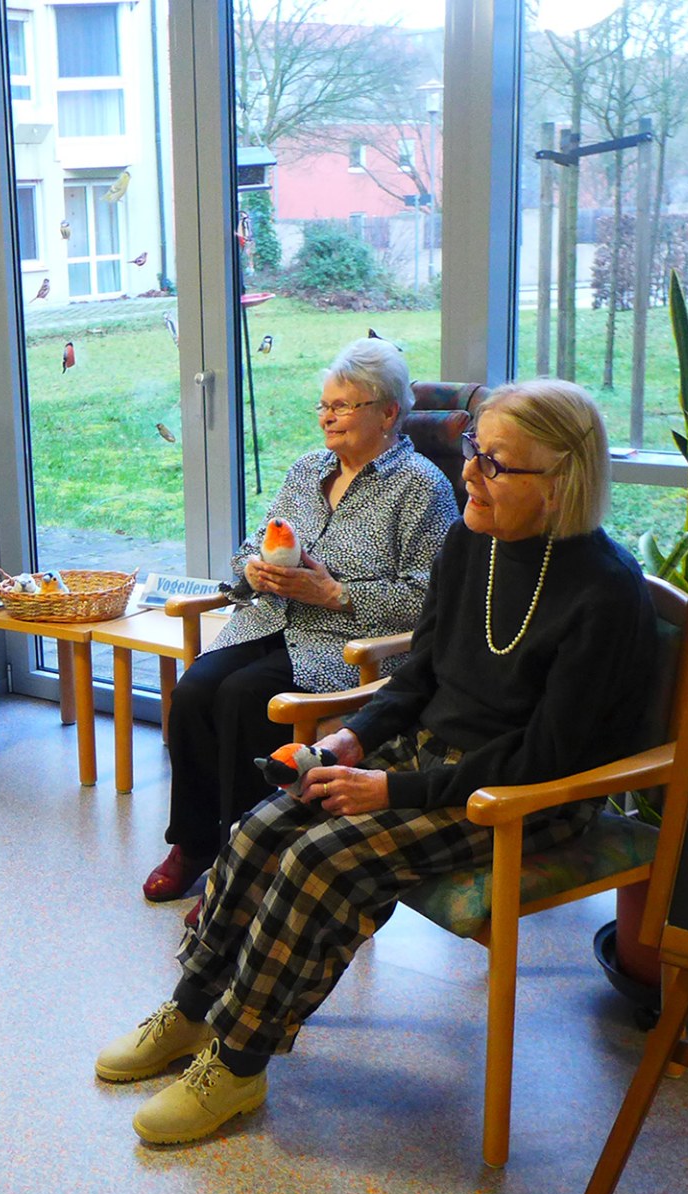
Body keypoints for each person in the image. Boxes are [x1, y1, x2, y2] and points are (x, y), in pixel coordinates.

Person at [95, 379, 659, 1146]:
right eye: (473, 451)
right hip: (428, 758)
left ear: (562, 483)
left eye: (496, 464)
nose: (469, 474)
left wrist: (392, 787)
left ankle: (237, 1063)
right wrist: (349, 743)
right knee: (260, 829)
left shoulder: (609, 595)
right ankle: (192, 1010)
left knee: (320, 861)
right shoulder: (471, 543)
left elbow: (542, 756)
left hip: (523, 792)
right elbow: (418, 679)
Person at [144, 337, 456, 909]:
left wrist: (335, 593)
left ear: (388, 412)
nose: (328, 417)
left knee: (243, 699)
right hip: (268, 621)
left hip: (345, 645)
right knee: (191, 692)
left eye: (343, 405)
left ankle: (247, 865)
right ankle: (192, 845)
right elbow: (251, 546)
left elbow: (430, 599)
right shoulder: (307, 470)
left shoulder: (423, 488)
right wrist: (253, 571)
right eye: (324, 405)